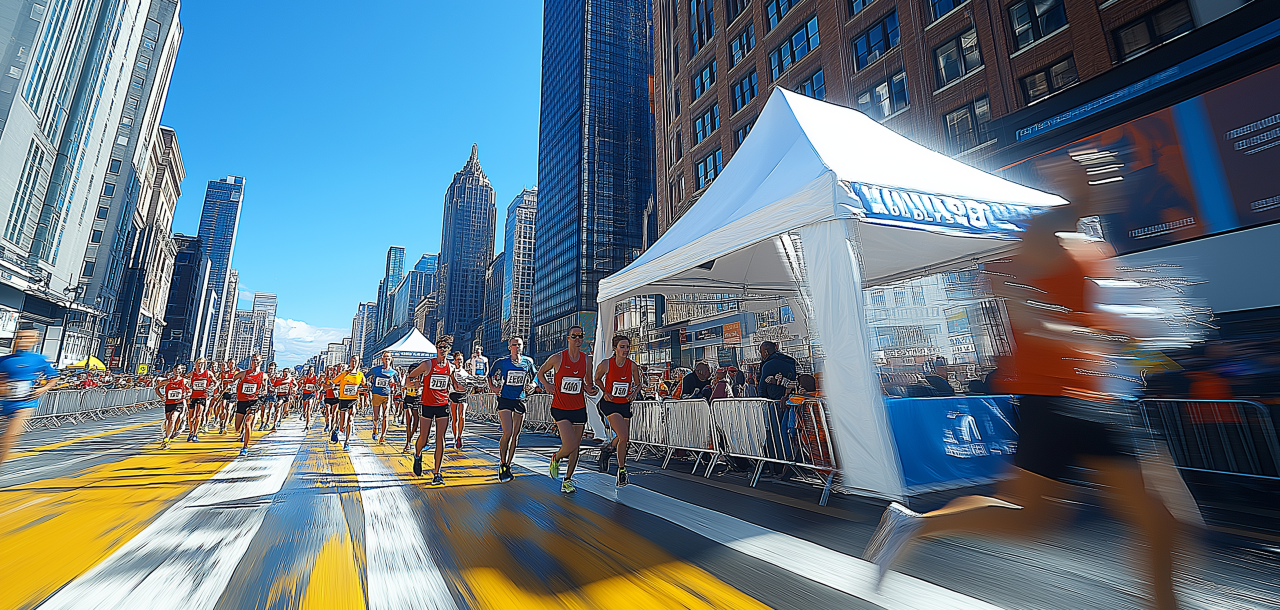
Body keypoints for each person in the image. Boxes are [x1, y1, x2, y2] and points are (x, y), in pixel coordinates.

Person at [862, 207, 1181, 610]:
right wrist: (1105, 338)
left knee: (1039, 518)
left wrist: (1134, 330)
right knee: (1157, 520)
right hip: (1062, 399)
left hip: (1087, 398)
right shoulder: (1034, 249)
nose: (1104, 174)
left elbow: (1097, 316)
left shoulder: (1090, 250)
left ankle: (915, 524)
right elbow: (1037, 325)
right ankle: (915, 524)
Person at [534, 325, 598, 494]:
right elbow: (540, 373)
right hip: (560, 407)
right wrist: (547, 385)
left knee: (576, 447)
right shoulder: (557, 358)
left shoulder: (587, 360)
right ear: (568, 338)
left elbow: (587, 384)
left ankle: (568, 480)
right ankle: (556, 457)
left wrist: (591, 389)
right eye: (574, 336)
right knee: (569, 444)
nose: (578, 339)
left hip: (578, 407)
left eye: (580, 336)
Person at [0, 330, 60, 469]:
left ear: (35, 341)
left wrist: (42, 389)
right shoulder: (4, 360)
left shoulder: (39, 359)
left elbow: (54, 377)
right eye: (21, 337)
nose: (23, 340)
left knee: (10, 437)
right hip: (5, 402)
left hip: (25, 403)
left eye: (28, 337)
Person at [593, 334, 641, 486]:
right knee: (624, 436)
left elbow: (639, 384)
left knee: (623, 438)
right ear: (615, 348)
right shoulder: (606, 364)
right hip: (610, 403)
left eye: (627, 347)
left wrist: (633, 393)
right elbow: (597, 379)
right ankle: (622, 471)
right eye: (622, 347)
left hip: (624, 403)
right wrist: (605, 392)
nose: (626, 350)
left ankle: (607, 450)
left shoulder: (632, 365)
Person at [407, 335, 455, 485]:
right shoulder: (428, 364)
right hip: (427, 404)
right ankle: (418, 454)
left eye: (445, 347)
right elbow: (410, 378)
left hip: (442, 405)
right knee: (424, 436)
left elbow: (453, 384)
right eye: (440, 347)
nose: (442, 349)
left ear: (449, 350)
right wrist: (415, 384)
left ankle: (437, 473)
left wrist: (460, 387)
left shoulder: (451, 367)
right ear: (436, 348)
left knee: (440, 437)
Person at [489, 336, 536, 481]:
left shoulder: (528, 362)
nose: (517, 347)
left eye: (519, 344)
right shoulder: (502, 362)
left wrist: (533, 385)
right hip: (505, 400)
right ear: (509, 347)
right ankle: (502, 462)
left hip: (520, 399)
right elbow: (490, 375)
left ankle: (508, 465)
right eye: (514, 345)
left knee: (515, 435)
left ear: (523, 346)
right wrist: (494, 388)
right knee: (507, 433)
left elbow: (535, 376)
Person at [231, 354, 266, 456]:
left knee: (248, 423)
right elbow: (233, 379)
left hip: (253, 401)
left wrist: (263, 392)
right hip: (242, 401)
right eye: (254, 360)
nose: (256, 362)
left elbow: (265, 388)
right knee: (237, 427)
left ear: (261, 362)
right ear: (251, 361)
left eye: (258, 360)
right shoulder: (243, 374)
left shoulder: (263, 375)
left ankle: (245, 447)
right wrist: (233, 387)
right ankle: (242, 431)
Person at [330, 355, 364, 449]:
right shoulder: (344, 374)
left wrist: (365, 388)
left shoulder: (360, 375)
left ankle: (347, 442)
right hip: (343, 399)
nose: (354, 363)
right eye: (352, 361)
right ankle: (336, 429)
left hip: (353, 399)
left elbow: (364, 385)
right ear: (350, 362)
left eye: (355, 361)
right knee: (343, 425)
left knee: (351, 419)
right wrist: (330, 385)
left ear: (358, 363)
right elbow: (333, 382)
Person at [366, 353, 399, 443]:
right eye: (385, 357)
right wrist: (367, 384)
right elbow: (365, 377)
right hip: (376, 395)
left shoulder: (394, 372)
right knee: (376, 416)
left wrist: (394, 386)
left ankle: (383, 436)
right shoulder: (376, 369)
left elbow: (398, 382)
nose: (387, 359)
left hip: (387, 395)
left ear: (391, 359)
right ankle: (375, 429)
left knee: (385, 415)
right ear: (382, 359)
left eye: (388, 358)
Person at [155, 365, 191, 448]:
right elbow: (157, 388)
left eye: (179, 370)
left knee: (172, 419)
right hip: (168, 403)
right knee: (168, 421)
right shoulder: (167, 381)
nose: (177, 371)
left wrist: (187, 394)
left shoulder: (184, 381)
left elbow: (189, 390)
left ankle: (166, 440)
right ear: (173, 370)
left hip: (179, 403)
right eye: (176, 369)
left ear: (181, 371)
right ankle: (170, 433)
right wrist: (161, 396)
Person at [187, 358, 216, 441]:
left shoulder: (208, 373)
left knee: (198, 415)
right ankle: (191, 432)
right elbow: (184, 381)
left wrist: (212, 388)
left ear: (205, 364)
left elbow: (216, 382)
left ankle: (195, 434)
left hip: (202, 396)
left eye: (202, 363)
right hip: (193, 396)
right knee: (191, 417)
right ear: (195, 364)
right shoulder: (192, 373)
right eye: (198, 363)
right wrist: (187, 388)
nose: (200, 365)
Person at [448, 351, 471, 449]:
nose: (460, 362)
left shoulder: (465, 372)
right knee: (455, 418)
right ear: (455, 361)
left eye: (461, 360)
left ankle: (459, 436)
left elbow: (469, 384)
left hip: (463, 395)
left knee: (462, 416)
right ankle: (455, 436)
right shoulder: (452, 370)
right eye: (458, 360)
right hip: (453, 394)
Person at [400, 369, 422, 454]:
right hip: (408, 399)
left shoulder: (421, 377)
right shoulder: (408, 377)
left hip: (417, 399)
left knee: (416, 422)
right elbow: (403, 385)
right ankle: (408, 442)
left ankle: (411, 438)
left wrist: (420, 384)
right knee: (409, 420)